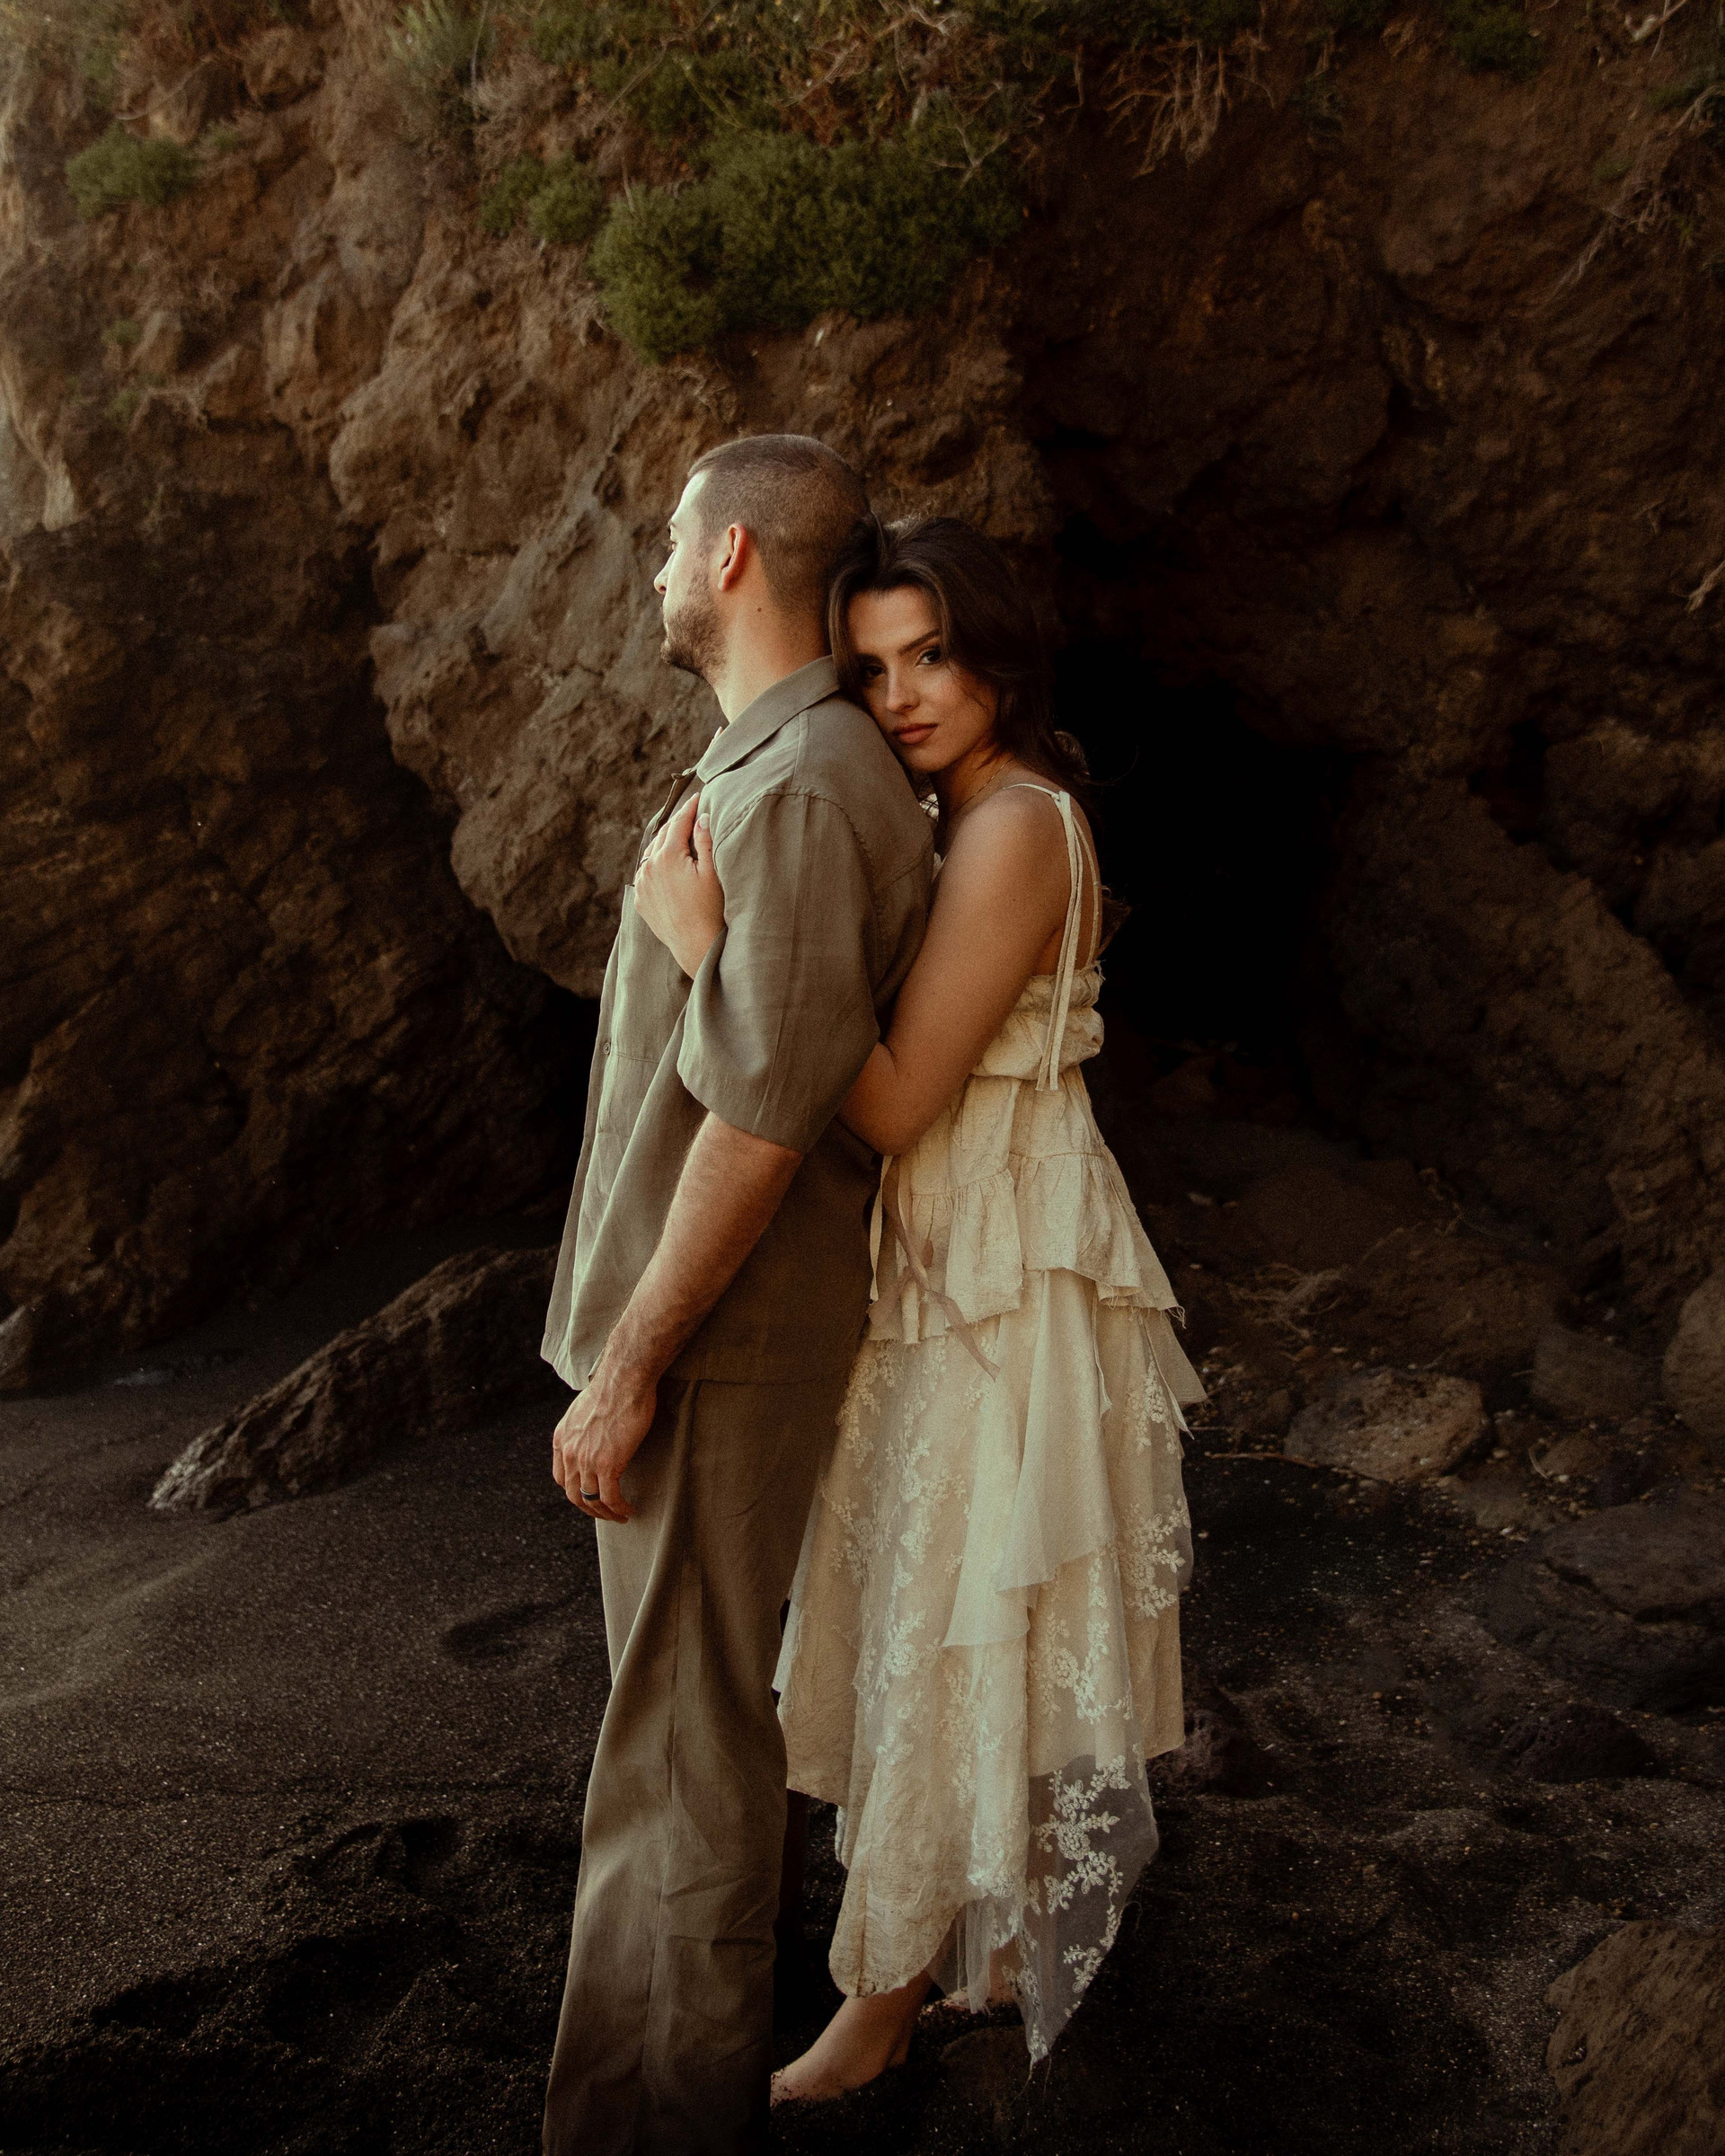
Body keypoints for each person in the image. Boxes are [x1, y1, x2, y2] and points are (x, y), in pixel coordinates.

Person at [631, 513, 1202, 2100]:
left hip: (1003, 1260)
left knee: (946, 1616)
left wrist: (714, 956)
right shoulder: (970, 814)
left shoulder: (1016, 826)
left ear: (996, 653)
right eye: (873, 669)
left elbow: (886, 1102)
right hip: (964, 1243)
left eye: (934, 656)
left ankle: (873, 2014)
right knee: (952, 1606)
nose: (902, 698)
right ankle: (982, 1951)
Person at [538, 437, 934, 2155]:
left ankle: (649, 2127)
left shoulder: (812, 787)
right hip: (697, 1334)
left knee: (684, 1759)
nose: (652, 566)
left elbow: (767, 1117)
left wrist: (630, 1363)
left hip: (715, 1344)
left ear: (733, 555)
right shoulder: (772, 767)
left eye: (670, 537)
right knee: (677, 1738)